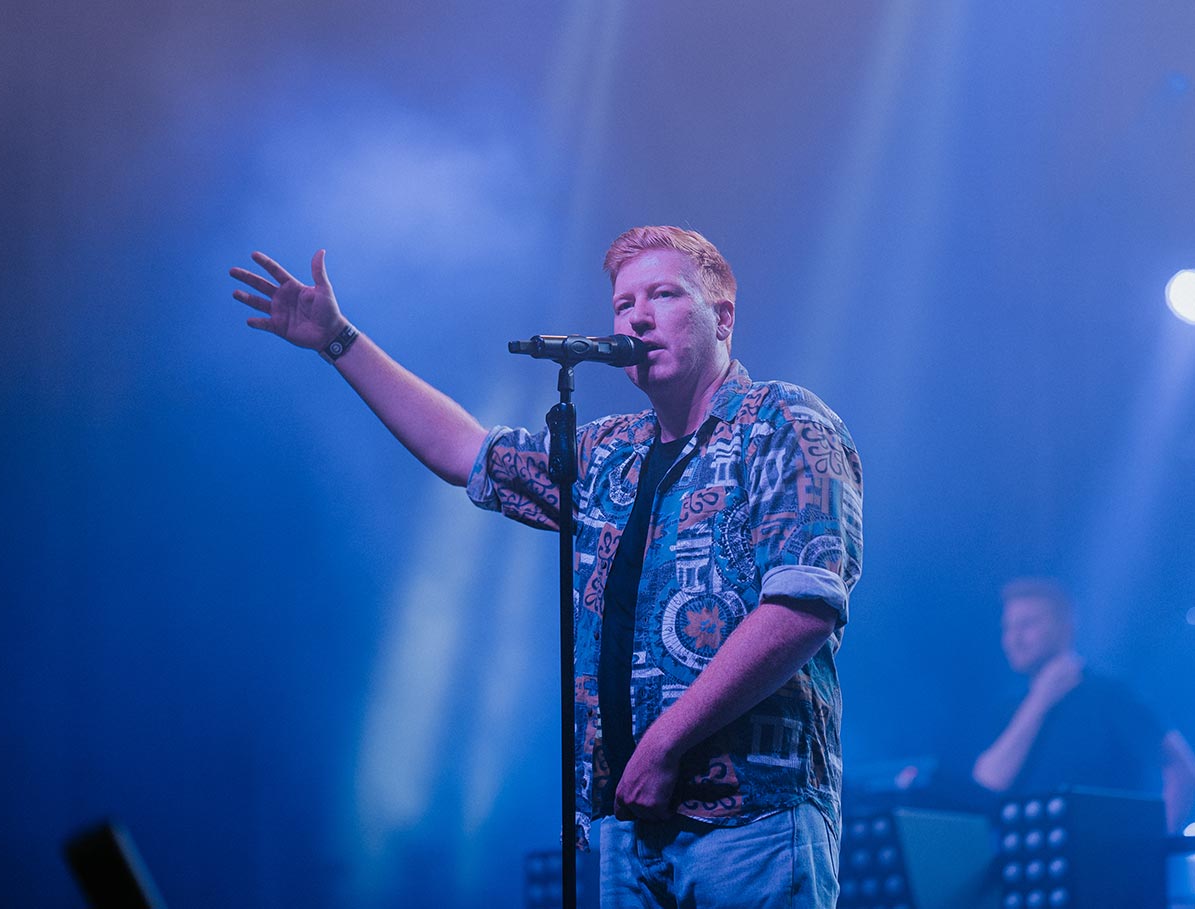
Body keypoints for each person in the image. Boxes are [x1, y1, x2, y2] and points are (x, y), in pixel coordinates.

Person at [231, 226, 864, 907]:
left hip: (750, 817)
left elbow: (802, 608)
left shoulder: (783, 420)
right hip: (628, 824)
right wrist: (338, 340)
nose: (637, 317)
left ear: (723, 317)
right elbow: (467, 453)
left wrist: (663, 746)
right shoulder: (608, 454)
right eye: (623, 304)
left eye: (663, 294)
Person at [973, 577, 1195, 833]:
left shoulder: (1108, 696)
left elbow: (1181, 767)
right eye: (1008, 628)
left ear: (1065, 628)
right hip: (1026, 856)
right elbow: (988, 781)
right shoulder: (1009, 709)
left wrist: (1155, 844)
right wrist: (1040, 699)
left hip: (1105, 854)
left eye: (1027, 624)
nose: (1014, 639)